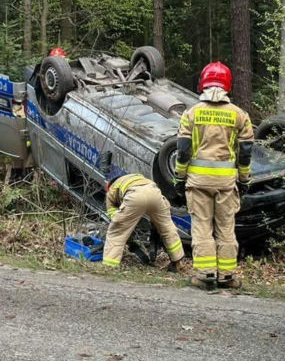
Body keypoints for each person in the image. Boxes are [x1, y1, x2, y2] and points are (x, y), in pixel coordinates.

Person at [173, 61, 253, 289]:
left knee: (202, 227)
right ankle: (227, 276)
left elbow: (183, 150)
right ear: (228, 85)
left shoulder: (191, 114)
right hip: (227, 183)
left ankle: (206, 275)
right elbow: (245, 154)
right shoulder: (240, 115)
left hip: (198, 182)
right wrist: (244, 180)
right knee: (226, 229)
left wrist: (179, 177)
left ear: (203, 83)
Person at [102, 171, 184, 270]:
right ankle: (178, 261)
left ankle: (109, 265)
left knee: (116, 232)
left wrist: (126, 228)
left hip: (135, 196)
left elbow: (115, 218)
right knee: (168, 228)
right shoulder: (136, 177)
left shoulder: (112, 189)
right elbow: (165, 206)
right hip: (155, 193)